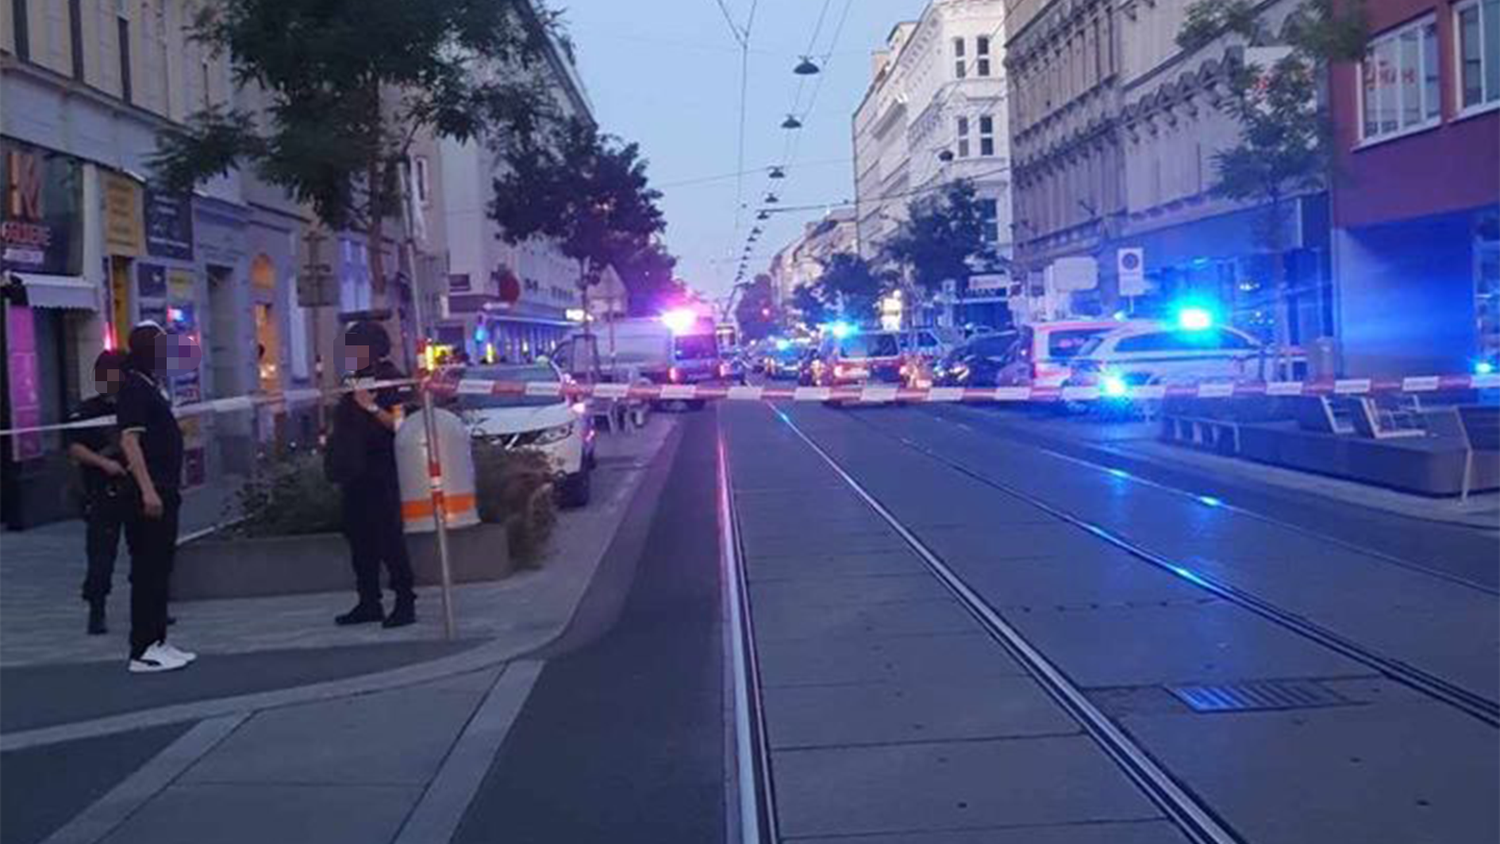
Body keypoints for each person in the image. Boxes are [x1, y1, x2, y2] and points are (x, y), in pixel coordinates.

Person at [327, 320, 416, 629]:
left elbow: (401, 425)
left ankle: (405, 602)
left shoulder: (392, 381)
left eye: (357, 348)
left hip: (382, 472)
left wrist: (370, 407)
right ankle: (369, 602)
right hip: (354, 474)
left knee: (389, 539)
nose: (351, 354)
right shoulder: (352, 379)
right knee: (359, 540)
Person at [118, 323, 195, 673]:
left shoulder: (150, 385)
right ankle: (143, 649)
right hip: (149, 493)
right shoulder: (134, 387)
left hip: (164, 488)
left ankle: (158, 640)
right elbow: (130, 441)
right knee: (148, 570)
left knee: (161, 568)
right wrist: (147, 489)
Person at [67, 350, 131, 635]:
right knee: (101, 556)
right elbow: (75, 447)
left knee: (146, 553)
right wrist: (104, 463)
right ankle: (97, 610)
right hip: (102, 491)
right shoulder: (87, 410)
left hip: (135, 489)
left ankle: (155, 604)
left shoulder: (134, 406)